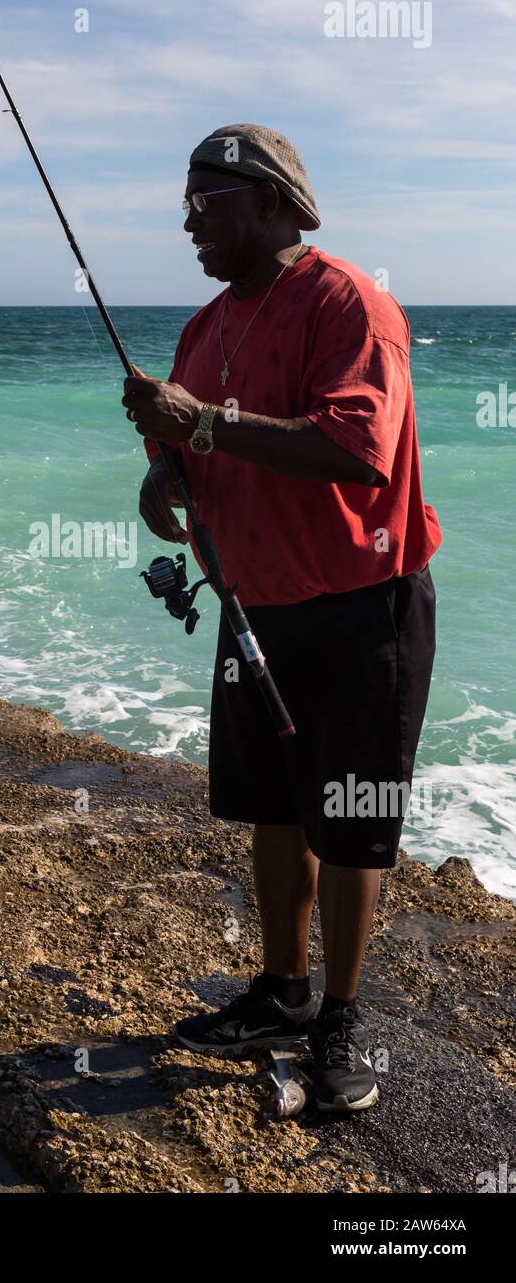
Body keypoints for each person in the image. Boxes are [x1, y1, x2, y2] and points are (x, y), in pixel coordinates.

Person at [123, 124, 442, 1112]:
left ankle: (341, 1020)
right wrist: (163, 474)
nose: (188, 225)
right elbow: (194, 448)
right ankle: (281, 992)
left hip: (361, 607)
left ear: (269, 204)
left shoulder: (350, 304)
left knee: (348, 822)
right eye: (185, 205)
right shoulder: (204, 324)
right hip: (253, 604)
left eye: (205, 204)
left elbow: (356, 451)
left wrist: (200, 425)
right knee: (271, 806)